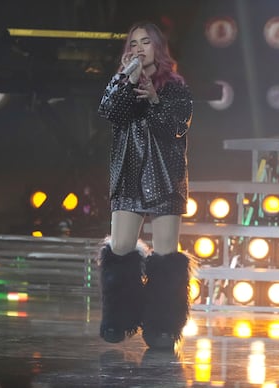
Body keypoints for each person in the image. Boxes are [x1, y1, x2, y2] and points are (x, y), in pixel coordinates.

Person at [96, 21, 194, 350]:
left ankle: (163, 326)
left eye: (145, 42)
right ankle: (120, 318)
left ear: (158, 49)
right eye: (133, 43)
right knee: (120, 247)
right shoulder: (123, 82)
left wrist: (153, 99)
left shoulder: (176, 88)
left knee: (166, 255)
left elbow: (175, 128)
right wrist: (126, 81)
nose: (138, 48)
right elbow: (109, 111)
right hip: (129, 175)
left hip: (164, 177)